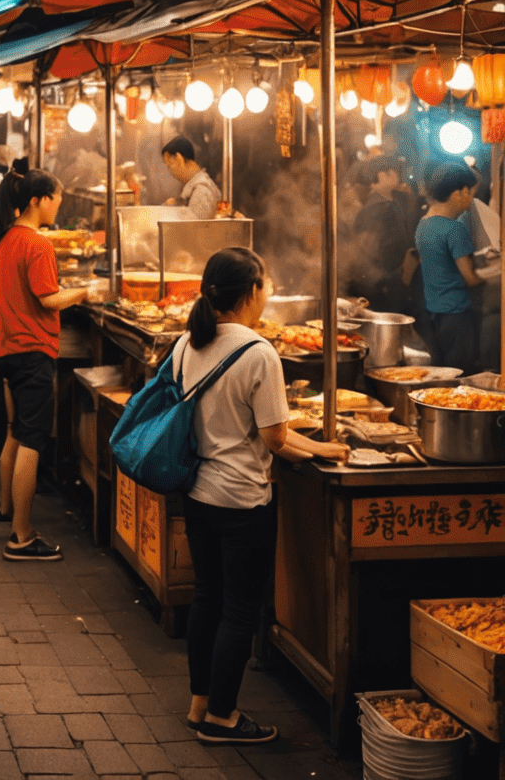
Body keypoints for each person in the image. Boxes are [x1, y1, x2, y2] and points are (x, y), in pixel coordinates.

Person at [179, 248, 348, 744]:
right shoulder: (257, 353)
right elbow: (275, 438)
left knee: (206, 598)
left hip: (198, 491)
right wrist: (324, 448)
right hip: (241, 501)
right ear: (251, 292)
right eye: (266, 284)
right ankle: (223, 718)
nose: (268, 293)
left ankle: (200, 705)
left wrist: (320, 446)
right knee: (239, 609)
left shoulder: (188, 343)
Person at [0, 170, 89, 561]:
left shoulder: (7, 238)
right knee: (32, 440)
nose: (58, 206)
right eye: (56, 200)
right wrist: (83, 292)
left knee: (17, 431)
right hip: (32, 351)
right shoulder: (37, 244)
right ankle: (21, 536)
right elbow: (48, 299)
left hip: (8, 347)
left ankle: (9, 508)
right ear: (37, 200)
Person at [406, 163, 484, 371]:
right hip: (457, 316)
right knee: (460, 374)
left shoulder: (424, 224)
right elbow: (470, 278)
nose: (471, 200)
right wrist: (494, 274)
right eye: (471, 193)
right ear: (460, 192)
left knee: (443, 374)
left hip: (433, 315)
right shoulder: (455, 229)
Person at [353, 155, 416, 311]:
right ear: (382, 175)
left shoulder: (391, 202)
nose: (400, 177)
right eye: (394, 172)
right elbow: (368, 251)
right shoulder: (377, 208)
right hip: (382, 287)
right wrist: (398, 276)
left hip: (391, 282)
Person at [163, 137, 223, 219]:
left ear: (179, 158)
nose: (170, 172)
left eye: (169, 166)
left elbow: (194, 229)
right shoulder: (196, 188)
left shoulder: (201, 190)